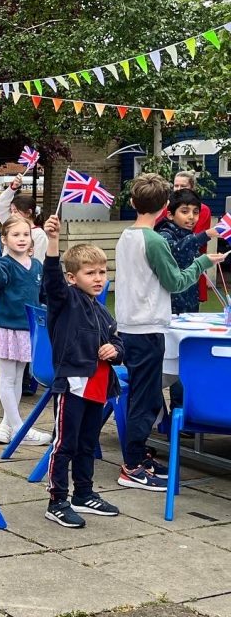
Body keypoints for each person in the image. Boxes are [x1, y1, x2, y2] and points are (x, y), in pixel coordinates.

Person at [115, 173, 226, 491]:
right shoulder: (156, 241)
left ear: (134, 203)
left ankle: (139, 457)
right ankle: (133, 466)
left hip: (131, 323)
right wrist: (203, 260)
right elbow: (176, 281)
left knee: (145, 395)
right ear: (165, 206)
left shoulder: (127, 235)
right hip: (147, 326)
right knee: (145, 399)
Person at [41, 215, 124, 527]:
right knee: (66, 444)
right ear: (73, 277)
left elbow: (119, 341)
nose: (99, 277)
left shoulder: (102, 309)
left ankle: (84, 494)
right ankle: (57, 500)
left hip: (99, 386)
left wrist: (115, 350)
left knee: (89, 443)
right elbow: (51, 279)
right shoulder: (64, 300)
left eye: (102, 272)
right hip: (74, 386)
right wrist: (52, 243)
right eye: (91, 273)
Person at [0, 217, 49, 446]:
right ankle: (20, 429)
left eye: (25, 235)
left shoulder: (37, 265)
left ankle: (6, 425)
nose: (21, 239)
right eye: (15, 235)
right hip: (7, 327)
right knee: (8, 378)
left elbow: (40, 295)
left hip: (28, 329)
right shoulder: (4, 263)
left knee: (19, 378)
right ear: (4, 239)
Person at [155, 189, 221, 315]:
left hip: (191, 303)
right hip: (168, 308)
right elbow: (176, 251)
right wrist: (206, 234)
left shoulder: (189, 236)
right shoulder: (163, 234)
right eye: (184, 211)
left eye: (195, 212)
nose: (191, 216)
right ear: (170, 215)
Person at [158, 170, 214, 304]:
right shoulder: (166, 211)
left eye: (182, 186)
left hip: (192, 261)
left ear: (192, 188)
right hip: (173, 269)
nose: (178, 189)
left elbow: (197, 237)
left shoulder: (203, 210)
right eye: (175, 186)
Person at [0, 176, 48, 262]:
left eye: (16, 211)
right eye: (11, 211)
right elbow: (2, 204)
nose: (12, 215)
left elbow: (39, 261)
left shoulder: (39, 234)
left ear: (28, 212)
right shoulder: (11, 225)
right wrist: (12, 188)